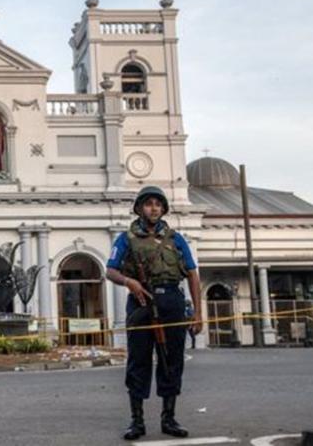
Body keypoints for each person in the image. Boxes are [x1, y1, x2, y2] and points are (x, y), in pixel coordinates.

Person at [106, 186, 202, 440]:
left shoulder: (176, 238)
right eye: (148, 204)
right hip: (141, 302)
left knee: (172, 362)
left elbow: (192, 274)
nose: (154, 208)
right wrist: (129, 282)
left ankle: (168, 418)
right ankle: (137, 421)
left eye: (158, 204)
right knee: (138, 361)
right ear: (138, 208)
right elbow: (110, 270)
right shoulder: (126, 238)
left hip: (171, 302)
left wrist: (198, 314)